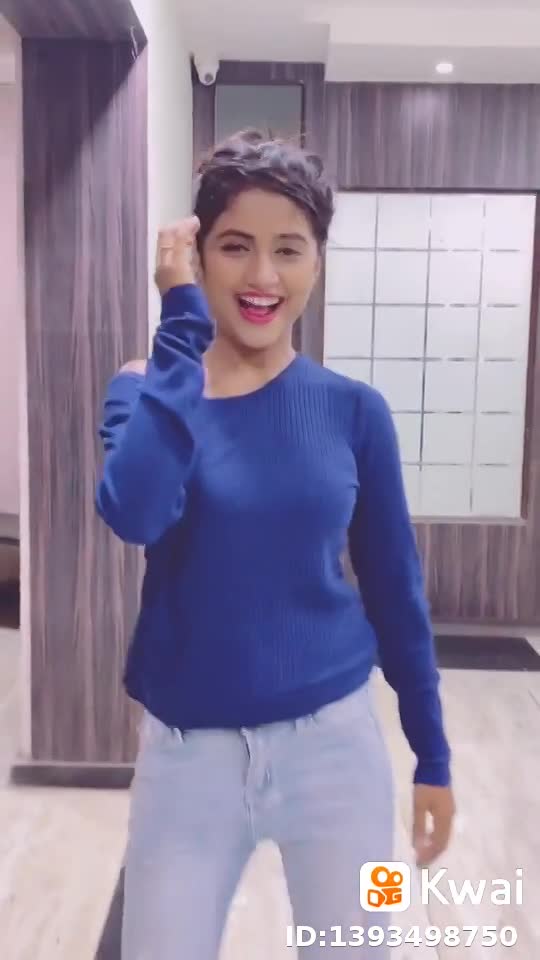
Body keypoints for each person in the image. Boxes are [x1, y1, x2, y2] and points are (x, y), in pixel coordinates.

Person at [95, 130, 455, 959]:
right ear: (197, 256)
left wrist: (432, 754)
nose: (263, 276)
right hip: (186, 761)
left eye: (288, 249)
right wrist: (179, 325)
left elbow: (395, 591)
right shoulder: (146, 390)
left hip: (337, 750)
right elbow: (136, 512)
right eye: (235, 246)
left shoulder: (353, 411)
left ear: (317, 264)